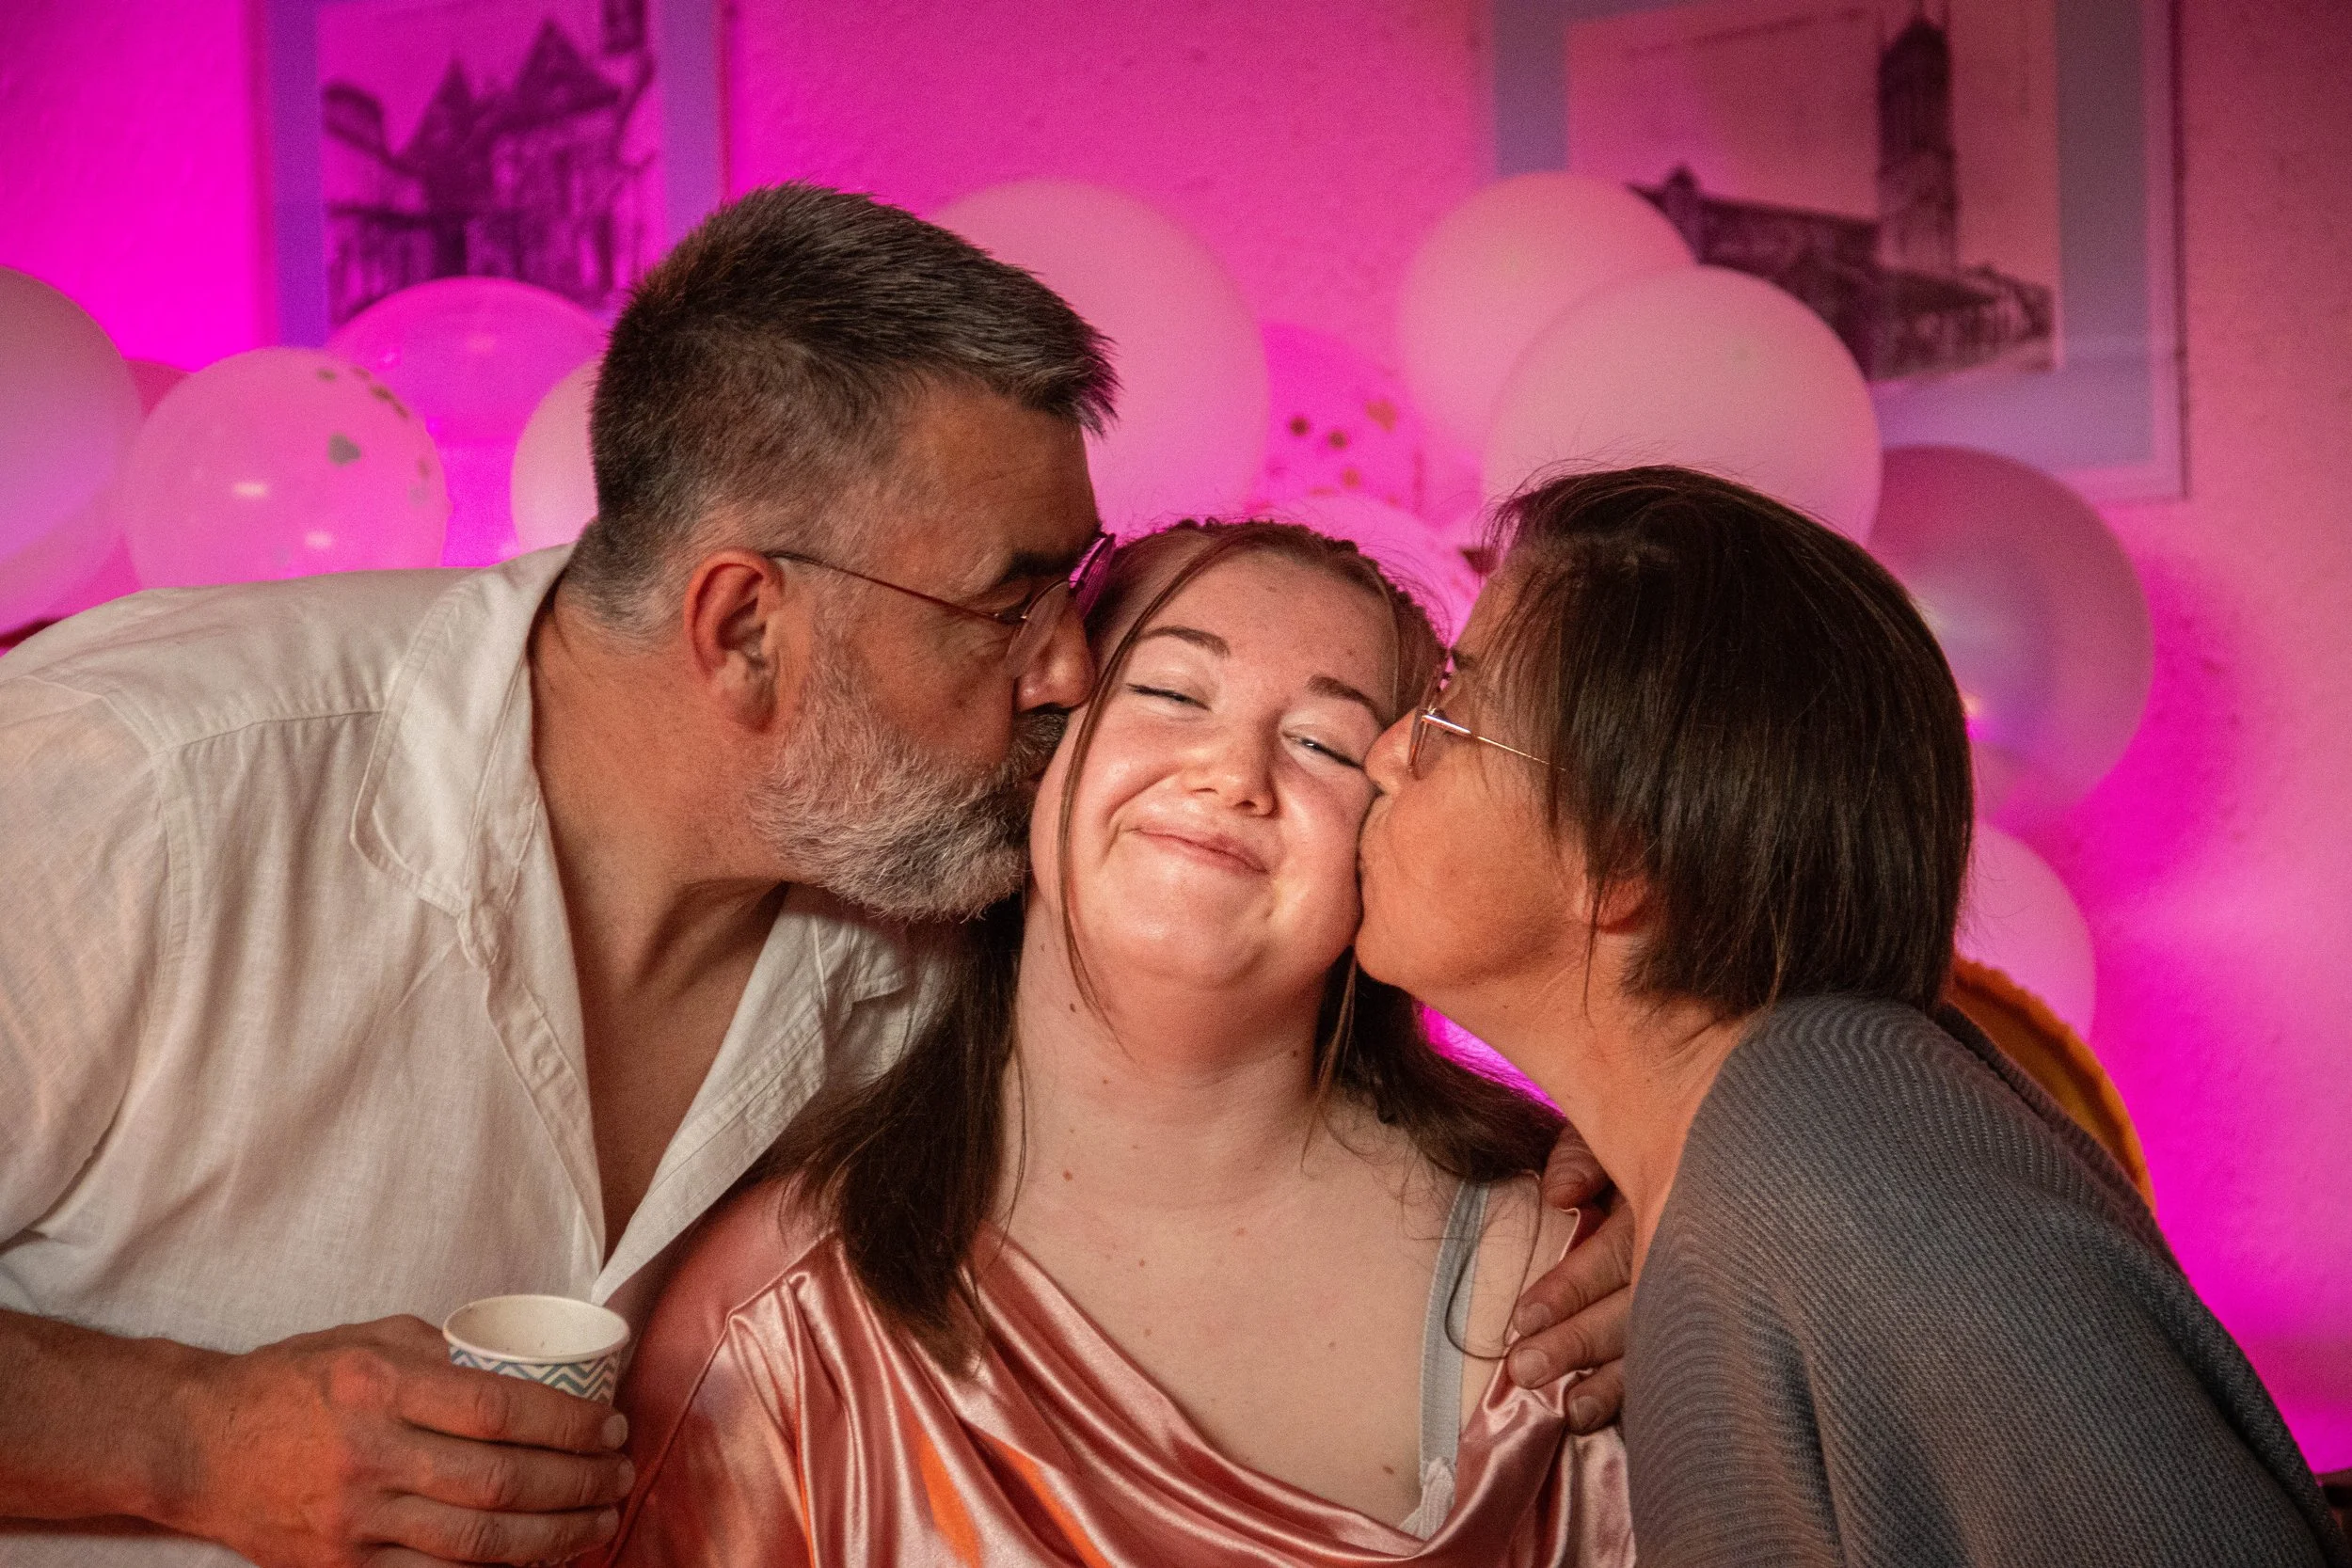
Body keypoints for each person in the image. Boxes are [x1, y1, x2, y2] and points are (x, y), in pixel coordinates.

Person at [0, 186, 1628, 1566]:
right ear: (745, 627)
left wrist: (1655, 1202)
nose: (1072, 668)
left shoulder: (936, 887)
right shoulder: (137, 788)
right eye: (1011, 601)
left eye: (1077, 589)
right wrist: (188, 1437)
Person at [1354, 466, 2352, 1566]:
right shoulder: (1771, 1161)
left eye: (1454, 710)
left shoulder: (1833, 1162)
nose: (1387, 749)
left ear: (1627, 853)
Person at [599, 522, 1635, 1566]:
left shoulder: (1574, 1269)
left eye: (1322, 742)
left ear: (1392, 831)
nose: (1233, 772)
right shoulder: (781, 1314)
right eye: (1172, 693)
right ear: (1042, 749)